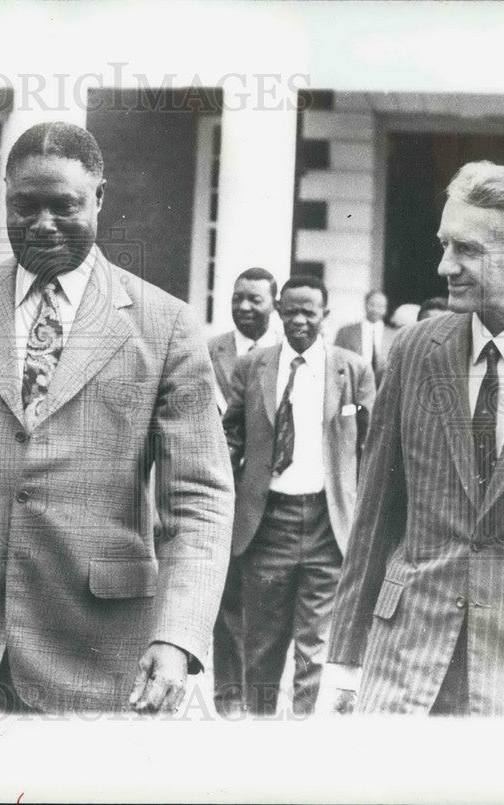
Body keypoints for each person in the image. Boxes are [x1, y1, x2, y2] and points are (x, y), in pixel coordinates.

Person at [0, 121, 233, 714]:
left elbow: (200, 499)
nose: (42, 225)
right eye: (25, 206)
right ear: (4, 197)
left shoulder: (165, 325)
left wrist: (176, 637)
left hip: (102, 658)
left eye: (64, 206)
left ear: (99, 198)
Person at [321, 161, 504, 715]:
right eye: (443, 244)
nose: (443, 265)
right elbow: (377, 516)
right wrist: (343, 662)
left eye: (468, 250)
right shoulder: (414, 350)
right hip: (404, 666)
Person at [222, 275, 375, 715]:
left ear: (325, 315)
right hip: (268, 523)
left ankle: (305, 747)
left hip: (329, 525)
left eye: (309, 311)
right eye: (290, 311)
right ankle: (259, 736)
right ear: (278, 313)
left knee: (316, 646)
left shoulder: (352, 369)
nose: (299, 320)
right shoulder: (254, 368)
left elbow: (372, 444)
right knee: (262, 645)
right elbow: (231, 434)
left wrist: (359, 506)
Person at [207, 266, 280, 715]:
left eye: (255, 299)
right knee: (226, 596)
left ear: (274, 303)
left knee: (266, 602)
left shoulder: (285, 353)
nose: (245, 307)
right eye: (238, 298)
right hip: (223, 490)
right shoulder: (209, 350)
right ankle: (227, 694)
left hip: (270, 495)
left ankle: (261, 697)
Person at [334, 289, 396, 385]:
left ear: (386, 309)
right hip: (354, 386)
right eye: (372, 304)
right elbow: (337, 363)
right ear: (365, 305)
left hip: (382, 389)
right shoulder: (346, 332)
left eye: (380, 306)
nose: (376, 310)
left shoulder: (393, 335)